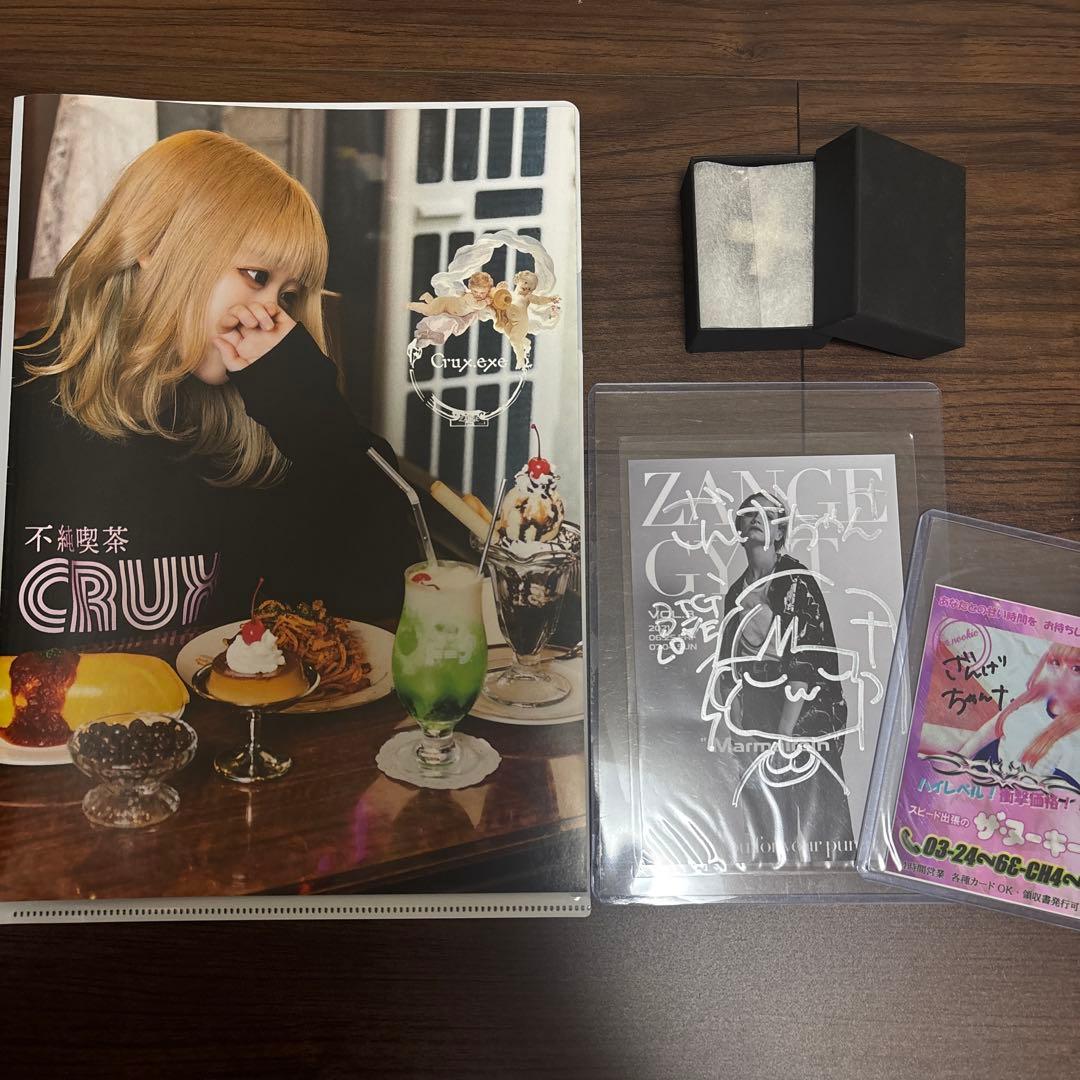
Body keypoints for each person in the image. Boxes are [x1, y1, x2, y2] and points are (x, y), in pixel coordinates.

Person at [3, 129, 418, 653]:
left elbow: (391, 598)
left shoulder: (278, 419)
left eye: (289, 296)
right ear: (154, 244)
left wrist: (312, 414)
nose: (270, 314)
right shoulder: (17, 399)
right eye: (255, 275)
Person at [715, 490, 854, 866]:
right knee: (768, 830)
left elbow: (804, 665)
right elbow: (728, 667)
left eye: (768, 514)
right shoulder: (735, 594)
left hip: (805, 716)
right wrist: (739, 731)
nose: (756, 518)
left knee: (819, 829)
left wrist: (785, 735)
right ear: (739, 528)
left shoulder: (797, 581)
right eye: (749, 513)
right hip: (758, 718)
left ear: (780, 531)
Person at [959, 643, 1080, 791]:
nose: (1061, 676)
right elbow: (989, 731)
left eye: (1077, 669)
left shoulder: (1074, 739)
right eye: (1056, 663)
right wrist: (958, 762)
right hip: (981, 766)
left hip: (1008, 794)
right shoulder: (1038, 694)